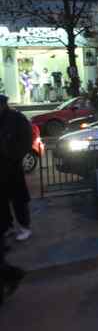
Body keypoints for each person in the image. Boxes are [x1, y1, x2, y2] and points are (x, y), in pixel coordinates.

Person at [0, 95, 30, 302]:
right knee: (2, 203)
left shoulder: (17, 119)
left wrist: (13, 155)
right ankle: (7, 227)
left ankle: (24, 226)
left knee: (18, 199)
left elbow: (25, 141)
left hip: (12, 168)